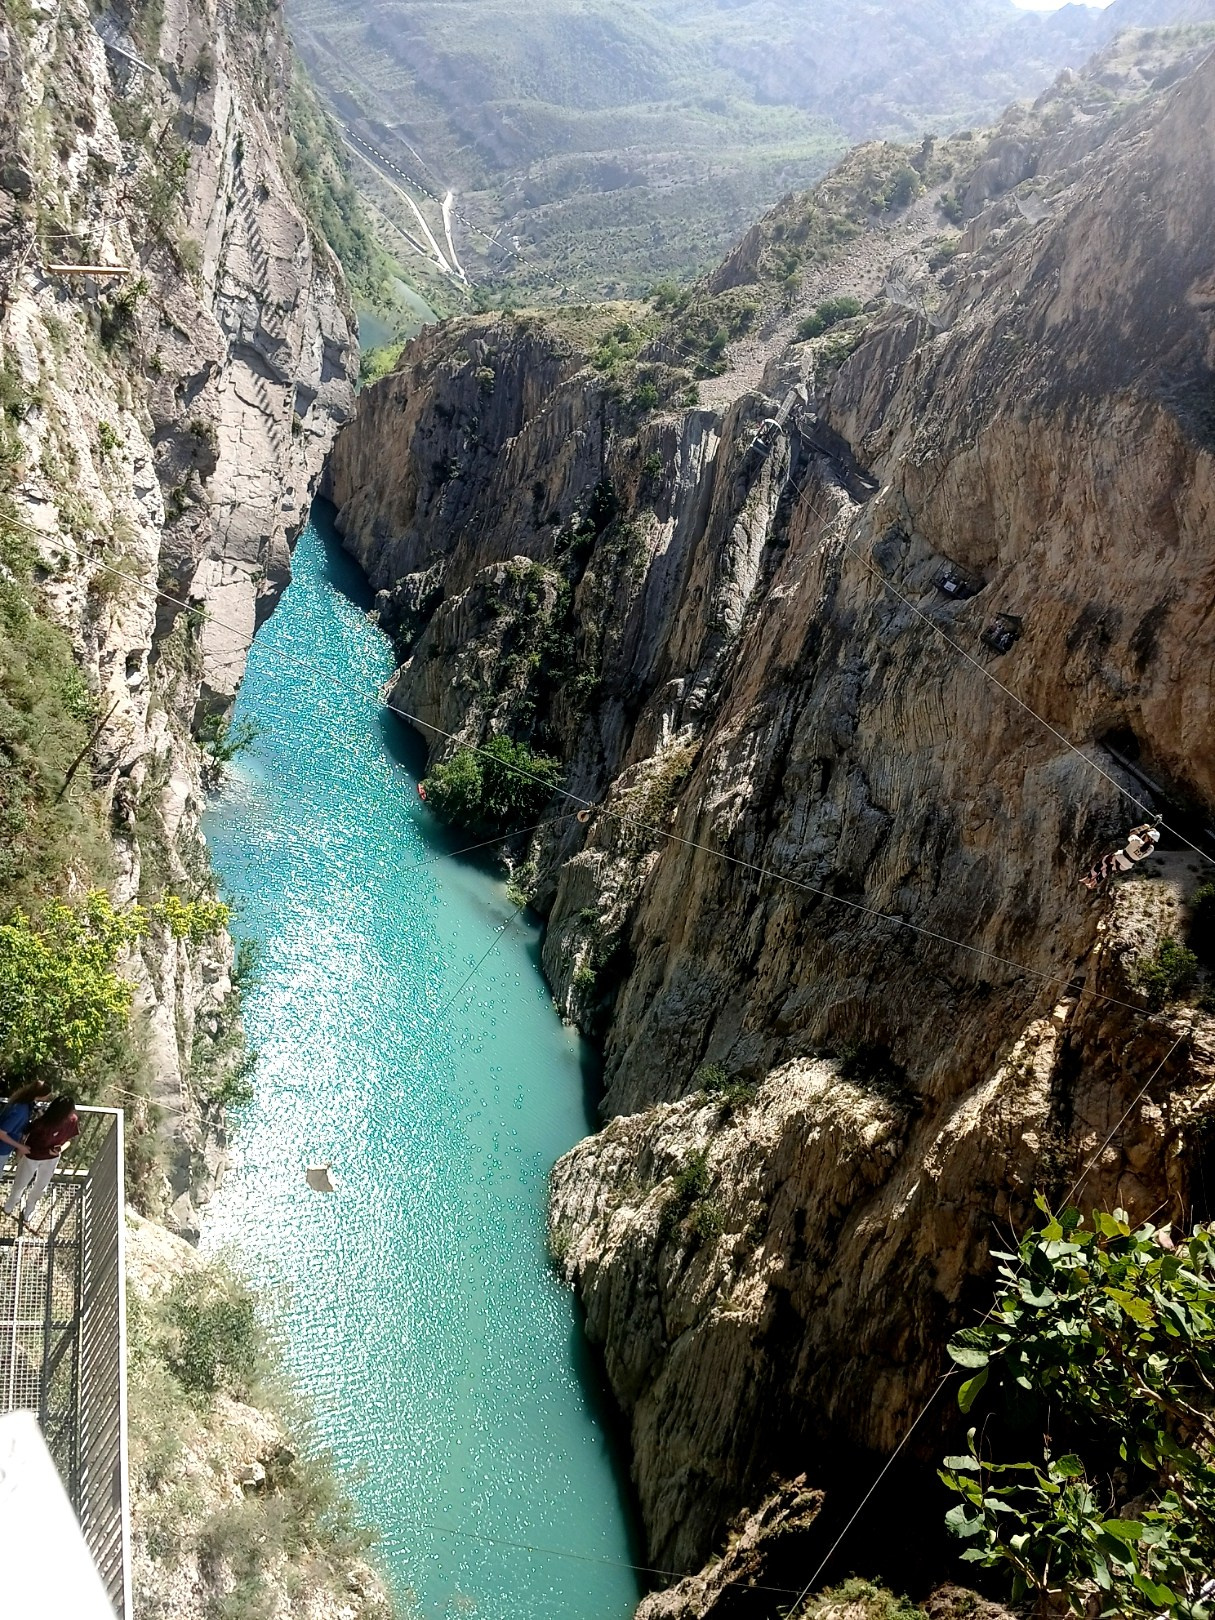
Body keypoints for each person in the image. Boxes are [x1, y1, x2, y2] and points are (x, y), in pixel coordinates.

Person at [2, 1095, 79, 1227]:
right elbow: (25, 1137)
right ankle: (11, 1202)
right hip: (31, 1156)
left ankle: (30, 1207)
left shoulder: (72, 1120)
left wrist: (60, 1149)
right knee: (20, 1182)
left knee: (41, 1185)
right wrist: (20, 1153)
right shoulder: (40, 1123)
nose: (72, 1113)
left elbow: (68, 1141)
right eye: (70, 1111)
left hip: (51, 1158)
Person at [0, 1081, 51, 1170]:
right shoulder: (20, 1111)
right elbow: (1, 1133)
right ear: (41, 1095)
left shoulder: (24, 1102)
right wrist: (21, 1147)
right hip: (2, 1148)